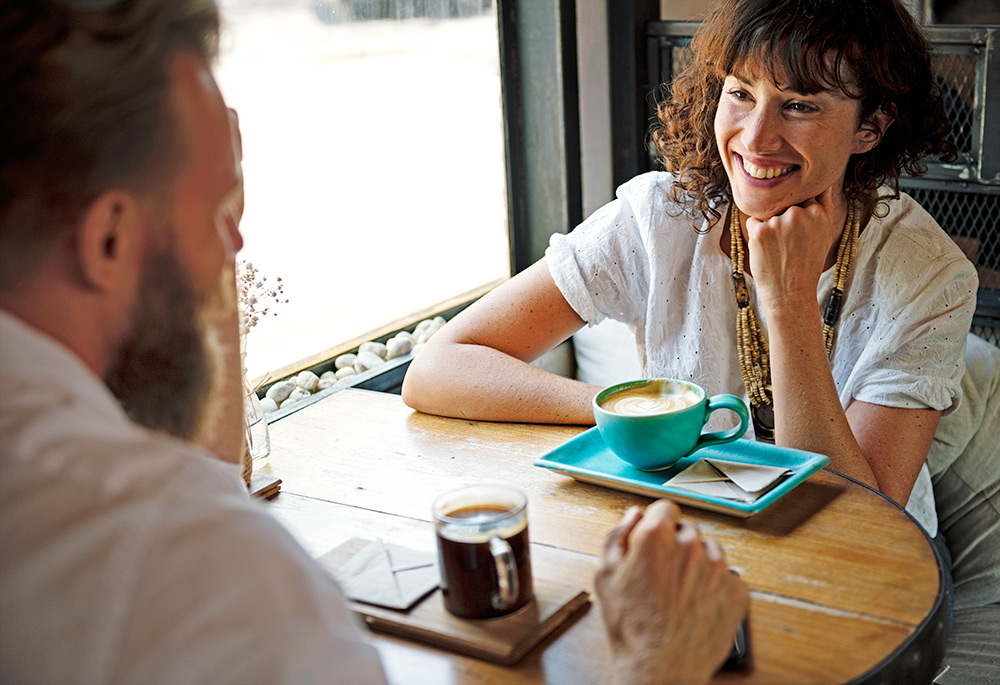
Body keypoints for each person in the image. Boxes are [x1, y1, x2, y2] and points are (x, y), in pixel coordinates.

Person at [0, 1, 746, 683]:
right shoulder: (205, 567)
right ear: (108, 239)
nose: (236, 250)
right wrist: (656, 663)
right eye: (220, 214)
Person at [403, 0, 978, 544]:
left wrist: (789, 301)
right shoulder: (660, 218)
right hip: (693, 533)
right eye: (741, 93)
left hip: (873, 567)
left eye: (800, 105)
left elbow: (858, 522)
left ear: (869, 128)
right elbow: (437, 369)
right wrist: (640, 414)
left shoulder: (932, 276)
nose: (755, 138)